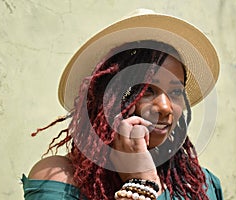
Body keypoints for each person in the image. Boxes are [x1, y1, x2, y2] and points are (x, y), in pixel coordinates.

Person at [22, 9, 223, 200]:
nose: (165, 107)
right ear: (108, 99)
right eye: (145, 90)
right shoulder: (60, 180)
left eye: (176, 92)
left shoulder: (202, 185)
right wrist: (140, 182)